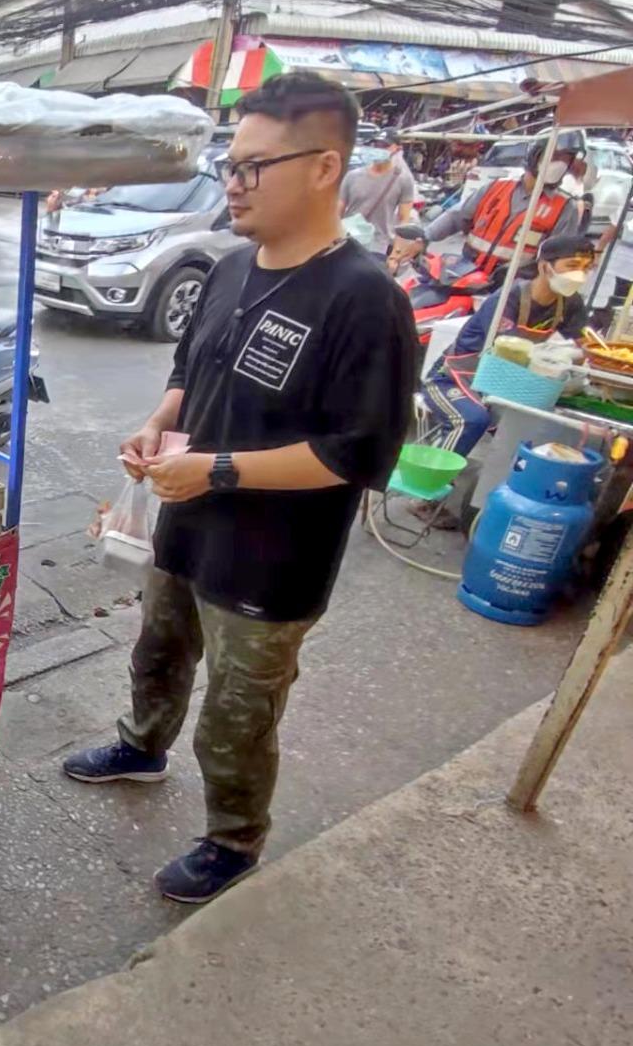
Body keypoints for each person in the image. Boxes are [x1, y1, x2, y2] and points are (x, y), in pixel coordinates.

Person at [62, 73, 417, 904]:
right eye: (232, 162)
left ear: (325, 166)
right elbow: (191, 371)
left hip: (271, 564)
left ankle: (234, 837)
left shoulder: (367, 300)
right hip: (185, 528)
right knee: (157, 652)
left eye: (255, 165)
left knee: (238, 712)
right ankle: (142, 747)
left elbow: (358, 453)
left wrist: (216, 470)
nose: (233, 180)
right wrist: (158, 423)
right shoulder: (227, 267)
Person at [419, 233, 595, 456]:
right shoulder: (507, 299)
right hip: (454, 378)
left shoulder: (570, 302)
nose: (579, 274)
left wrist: (593, 355)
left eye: (586, 268)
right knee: (473, 420)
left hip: (506, 385)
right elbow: (509, 353)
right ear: (544, 267)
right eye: (572, 265)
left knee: (541, 427)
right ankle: (434, 478)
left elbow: (586, 345)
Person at [417, 132, 589, 280]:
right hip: (465, 274)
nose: (559, 164)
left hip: (512, 287)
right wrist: (423, 237)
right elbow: (457, 216)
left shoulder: (565, 207)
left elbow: (556, 259)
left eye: (565, 159)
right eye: (554, 157)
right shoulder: (497, 187)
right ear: (535, 155)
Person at [339, 131, 416, 250]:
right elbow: (338, 211)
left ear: (397, 149)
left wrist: (396, 252)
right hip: (348, 242)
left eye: (384, 146)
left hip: (378, 245)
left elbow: (404, 220)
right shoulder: (352, 176)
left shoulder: (403, 180)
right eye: (376, 145)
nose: (378, 149)